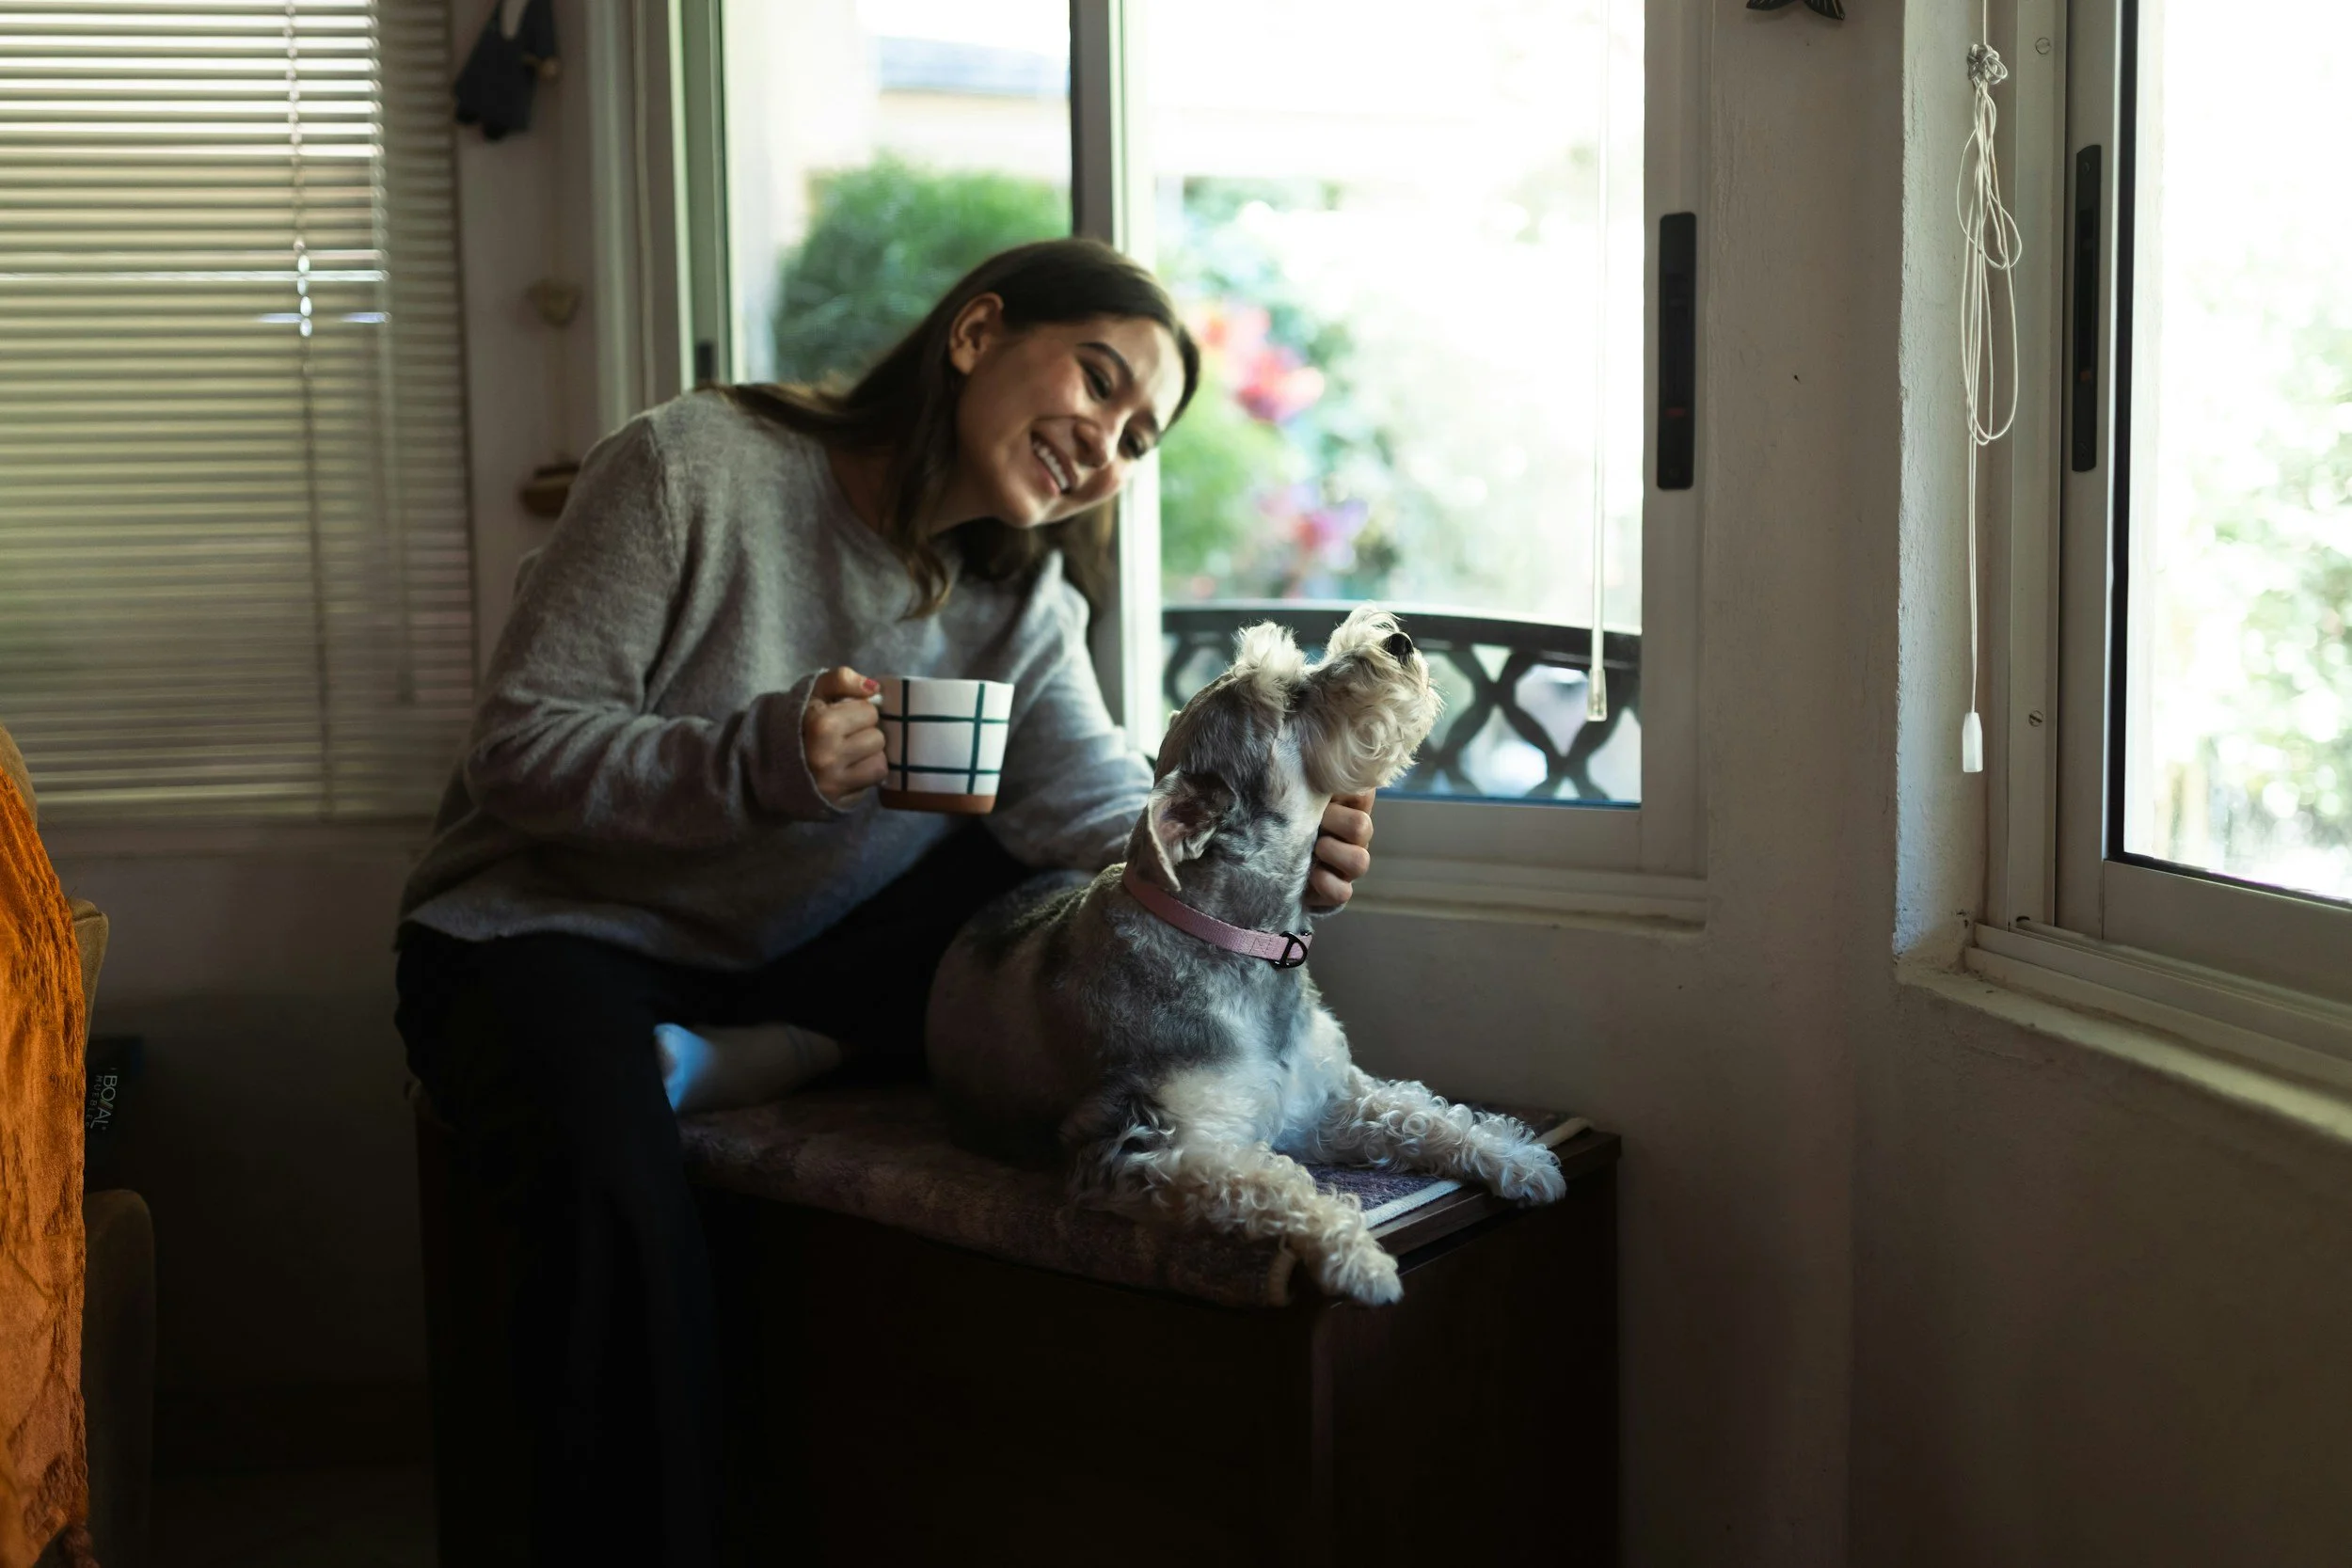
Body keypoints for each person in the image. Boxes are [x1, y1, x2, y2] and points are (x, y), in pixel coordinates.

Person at [391, 238, 1379, 1563]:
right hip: (544, 927)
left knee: (1032, 881)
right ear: (976, 331)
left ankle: (781, 1045)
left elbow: (1094, 811)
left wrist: (1261, 839)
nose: (1106, 445)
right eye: (1098, 383)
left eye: (1139, 437)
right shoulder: (692, 465)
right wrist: (760, 759)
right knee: (619, 1213)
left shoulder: (1018, 594)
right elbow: (520, 748)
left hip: (778, 951)